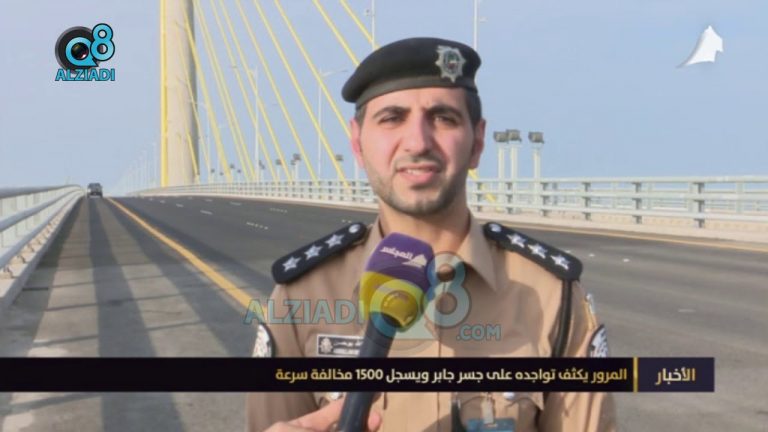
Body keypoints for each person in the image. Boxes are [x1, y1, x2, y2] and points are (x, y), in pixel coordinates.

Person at [246, 37, 616, 432]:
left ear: (477, 142)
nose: (418, 142)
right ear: (357, 143)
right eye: (392, 118)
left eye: (443, 118)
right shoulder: (301, 297)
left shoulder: (553, 296)